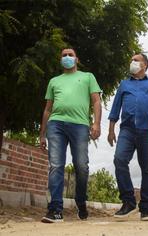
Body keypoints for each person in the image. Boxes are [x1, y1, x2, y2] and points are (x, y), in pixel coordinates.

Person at [39, 48, 102, 223]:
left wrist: (96, 123)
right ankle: (55, 210)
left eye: (70, 55)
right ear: (60, 60)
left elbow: (96, 101)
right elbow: (48, 109)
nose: (67, 57)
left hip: (80, 125)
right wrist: (42, 134)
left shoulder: (88, 77)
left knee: (81, 166)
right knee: (56, 165)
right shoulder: (54, 81)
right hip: (56, 124)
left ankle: (81, 201)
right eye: (64, 55)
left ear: (76, 59)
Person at [108, 53, 148, 221]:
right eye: (131, 60)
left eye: (136, 60)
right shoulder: (124, 84)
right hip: (127, 130)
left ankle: (147, 208)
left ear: (145, 65)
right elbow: (115, 108)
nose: (132, 62)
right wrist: (111, 129)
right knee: (119, 160)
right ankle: (128, 202)